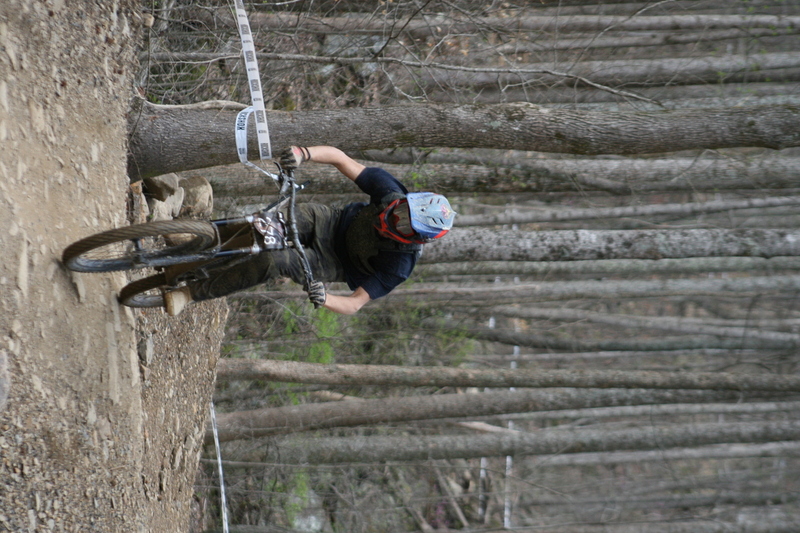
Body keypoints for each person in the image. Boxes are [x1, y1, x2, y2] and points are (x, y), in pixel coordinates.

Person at [164, 146, 456, 316]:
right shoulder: (389, 192)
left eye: (404, 223)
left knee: (273, 261)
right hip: (329, 221)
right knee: (264, 224)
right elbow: (342, 159)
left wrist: (325, 298)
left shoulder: (399, 264)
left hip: (334, 263)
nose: (397, 217)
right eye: (403, 209)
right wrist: (304, 153)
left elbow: (355, 304)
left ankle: (189, 294)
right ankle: (197, 240)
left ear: (414, 237)